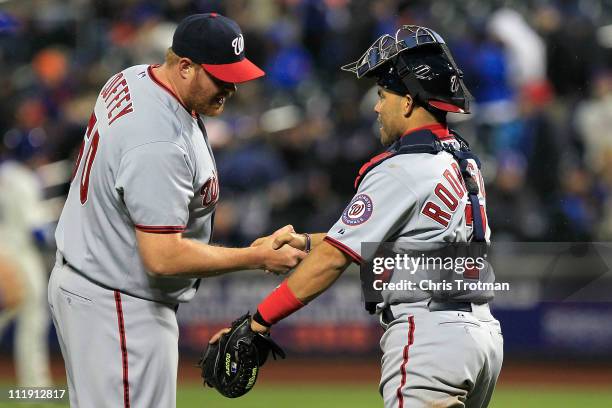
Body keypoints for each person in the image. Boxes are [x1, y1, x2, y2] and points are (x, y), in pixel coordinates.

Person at [228, 26, 504, 408]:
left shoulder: (403, 167)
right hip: (482, 337)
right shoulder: (460, 159)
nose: (376, 107)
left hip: (429, 337)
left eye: (382, 95)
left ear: (408, 102)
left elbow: (334, 259)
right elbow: (403, 242)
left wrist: (258, 321)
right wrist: (309, 242)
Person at [47, 13, 305, 408]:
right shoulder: (158, 143)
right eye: (220, 76)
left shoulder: (134, 76)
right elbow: (163, 257)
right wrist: (256, 256)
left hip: (95, 283)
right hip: (119, 304)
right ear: (184, 66)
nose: (231, 87)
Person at [0, 136, 52, 387]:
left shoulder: (5, 172)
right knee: (33, 320)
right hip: (22, 254)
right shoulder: (24, 179)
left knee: (5, 313)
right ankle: (34, 387)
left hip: (2, 252)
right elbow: (37, 232)